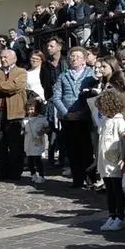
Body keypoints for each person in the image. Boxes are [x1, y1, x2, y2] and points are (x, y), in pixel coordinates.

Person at [51, 47, 97, 189]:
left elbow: (94, 97)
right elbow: (57, 97)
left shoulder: (91, 75)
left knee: (86, 149)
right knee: (72, 149)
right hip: (67, 118)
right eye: (72, 56)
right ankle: (77, 179)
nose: (74, 59)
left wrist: (82, 113)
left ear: (84, 59)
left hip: (85, 118)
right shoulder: (63, 76)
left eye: (77, 56)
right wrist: (65, 113)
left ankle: (90, 178)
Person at [0, 49, 28, 181]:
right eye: (2, 57)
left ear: (14, 59)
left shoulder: (21, 72)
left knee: (16, 144)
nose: (3, 59)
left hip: (15, 112)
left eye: (6, 57)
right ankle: (1, 172)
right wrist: (2, 88)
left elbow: (16, 87)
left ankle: (16, 172)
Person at [96, 89, 125, 232]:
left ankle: (120, 217)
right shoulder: (105, 121)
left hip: (114, 161)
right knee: (109, 189)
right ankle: (112, 214)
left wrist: (123, 157)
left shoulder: (119, 121)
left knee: (117, 189)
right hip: (105, 162)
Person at [22, 97, 49, 185]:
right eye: (28, 109)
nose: (30, 111)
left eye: (32, 109)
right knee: (30, 160)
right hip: (28, 143)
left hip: (37, 143)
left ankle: (41, 176)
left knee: (38, 160)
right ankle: (33, 174)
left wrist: (43, 131)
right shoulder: (25, 120)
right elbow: (22, 130)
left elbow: (47, 128)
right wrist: (22, 132)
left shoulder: (41, 119)